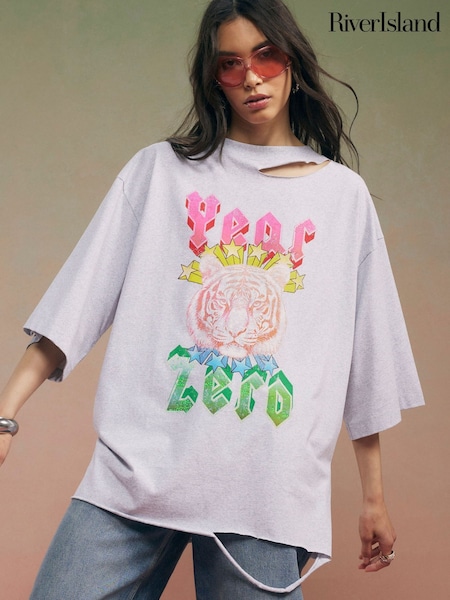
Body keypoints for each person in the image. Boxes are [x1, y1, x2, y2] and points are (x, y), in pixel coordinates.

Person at [0, 0, 424, 598]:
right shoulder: (160, 172)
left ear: (292, 62)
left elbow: (367, 357)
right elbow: (77, 300)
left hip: (265, 490)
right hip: (138, 472)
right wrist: (6, 414)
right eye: (231, 64)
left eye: (266, 56)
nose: (251, 77)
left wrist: (373, 499)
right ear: (214, 78)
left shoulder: (342, 197)